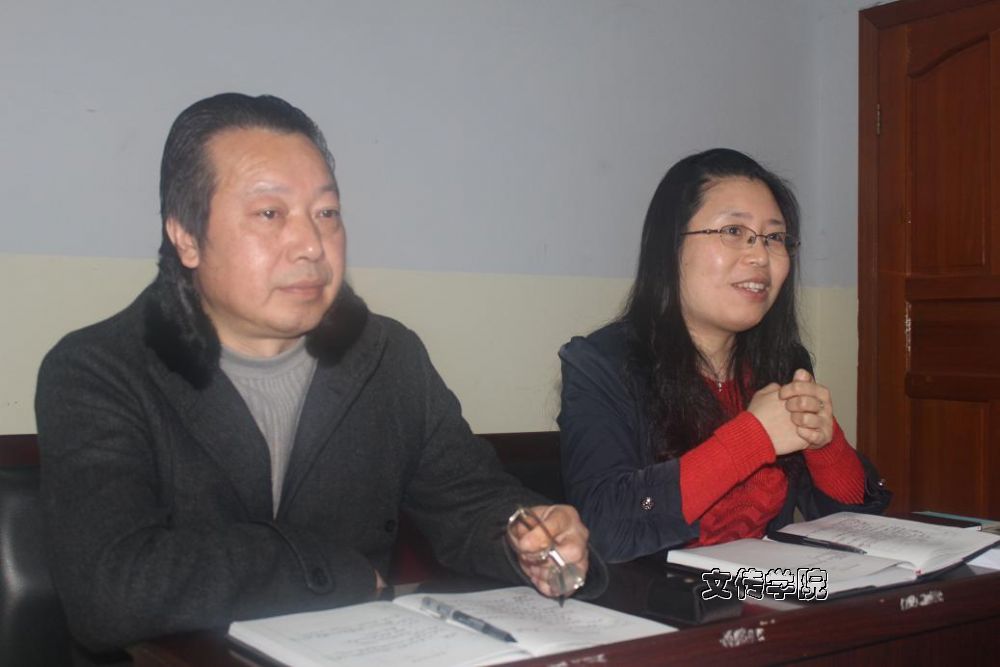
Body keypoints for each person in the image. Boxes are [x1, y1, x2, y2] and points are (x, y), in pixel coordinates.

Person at [36, 93, 601, 653]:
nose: (311, 245)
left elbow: (469, 501)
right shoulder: (99, 370)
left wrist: (530, 536)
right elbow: (112, 589)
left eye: (326, 214)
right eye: (270, 214)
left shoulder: (387, 356)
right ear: (186, 235)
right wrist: (332, 572)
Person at [558, 148, 890, 563]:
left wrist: (826, 445)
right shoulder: (601, 364)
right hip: (658, 596)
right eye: (734, 230)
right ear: (670, 246)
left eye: (774, 238)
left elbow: (855, 528)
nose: (760, 255)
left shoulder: (782, 364)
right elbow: (603, 529)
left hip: (766, 588)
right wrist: (752, 438)